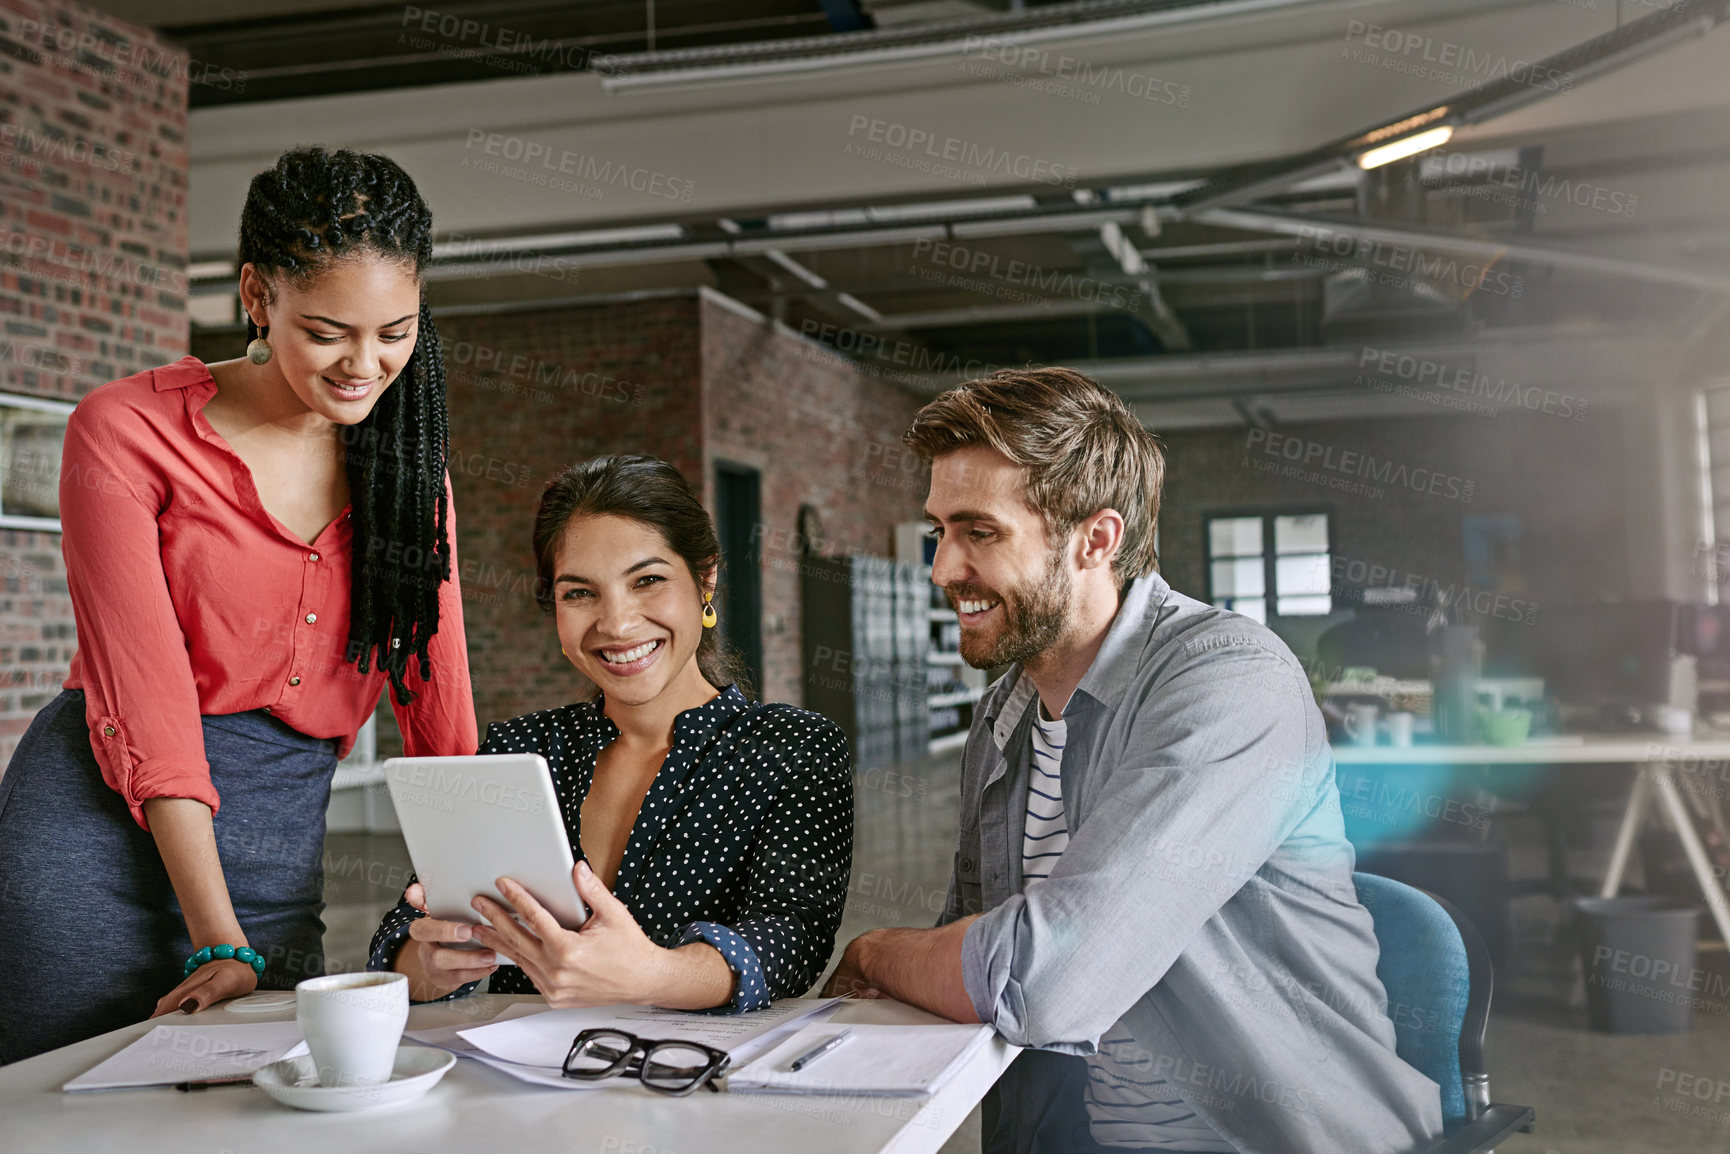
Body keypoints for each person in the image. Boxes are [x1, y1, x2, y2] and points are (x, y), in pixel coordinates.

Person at [824, 368, 1444, 1154]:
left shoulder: (1229, 681)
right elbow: (969, 952)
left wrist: (875, 949)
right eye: (938, 531)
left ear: (1096, 539)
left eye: (979, 532)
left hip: (1259, 1135)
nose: (943, 569)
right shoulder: (1004, 711)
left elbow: (1041, 981)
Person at [0, 146, 478, 1065]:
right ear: (258, 297)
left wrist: (471, 888)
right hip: (95, 839)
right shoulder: (125, 433)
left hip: (277, 847)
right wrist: (218, 935)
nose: (365, 365)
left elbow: (438, 700)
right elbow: (147, 699)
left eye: (395, 332)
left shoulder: (408, 473)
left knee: (260, 1105)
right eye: (330, 331)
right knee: (62, 1105)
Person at [368, 455, 852, 1013]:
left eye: (647, 581)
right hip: (517, 1087)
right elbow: (404, 936)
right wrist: (429, 965)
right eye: (579, 593)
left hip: (691, 1082)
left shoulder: (793, 748)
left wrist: (653, 974)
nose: (616, 624)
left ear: (706, 578)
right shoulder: (516, 750)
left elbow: (792, 940)